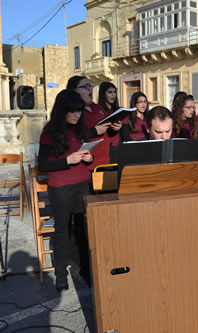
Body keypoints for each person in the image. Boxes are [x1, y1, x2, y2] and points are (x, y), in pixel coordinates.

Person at [38, 90, 94, 291]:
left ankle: (88, 272)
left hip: (82, 184)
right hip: (61, 188)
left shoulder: (81, 129)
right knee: (62, 232)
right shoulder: (50, 131)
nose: (77, 115)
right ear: (62, 111)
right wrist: (66, 161)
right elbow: (43, 164)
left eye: (79, 111)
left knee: (83, 231)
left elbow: (89, 154)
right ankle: (60, 274)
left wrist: (90, 158)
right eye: (72, 111)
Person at [67, 76, 121, 171]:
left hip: (105, 162)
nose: (90, 89)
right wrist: (94, 131)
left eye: (90, 85)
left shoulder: (97, 107)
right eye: (85, 86)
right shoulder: (72, 112)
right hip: (86, 166)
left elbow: (107, 132)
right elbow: (71, 135)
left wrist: (115, 128)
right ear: (74, 90)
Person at [97, 82, 121, 147]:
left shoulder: (117, 110)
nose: (113, 95)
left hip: (118, 145)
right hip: (106, 145)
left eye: (114, 92)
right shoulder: (98, 111)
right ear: (103, 94)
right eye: (110, 92)